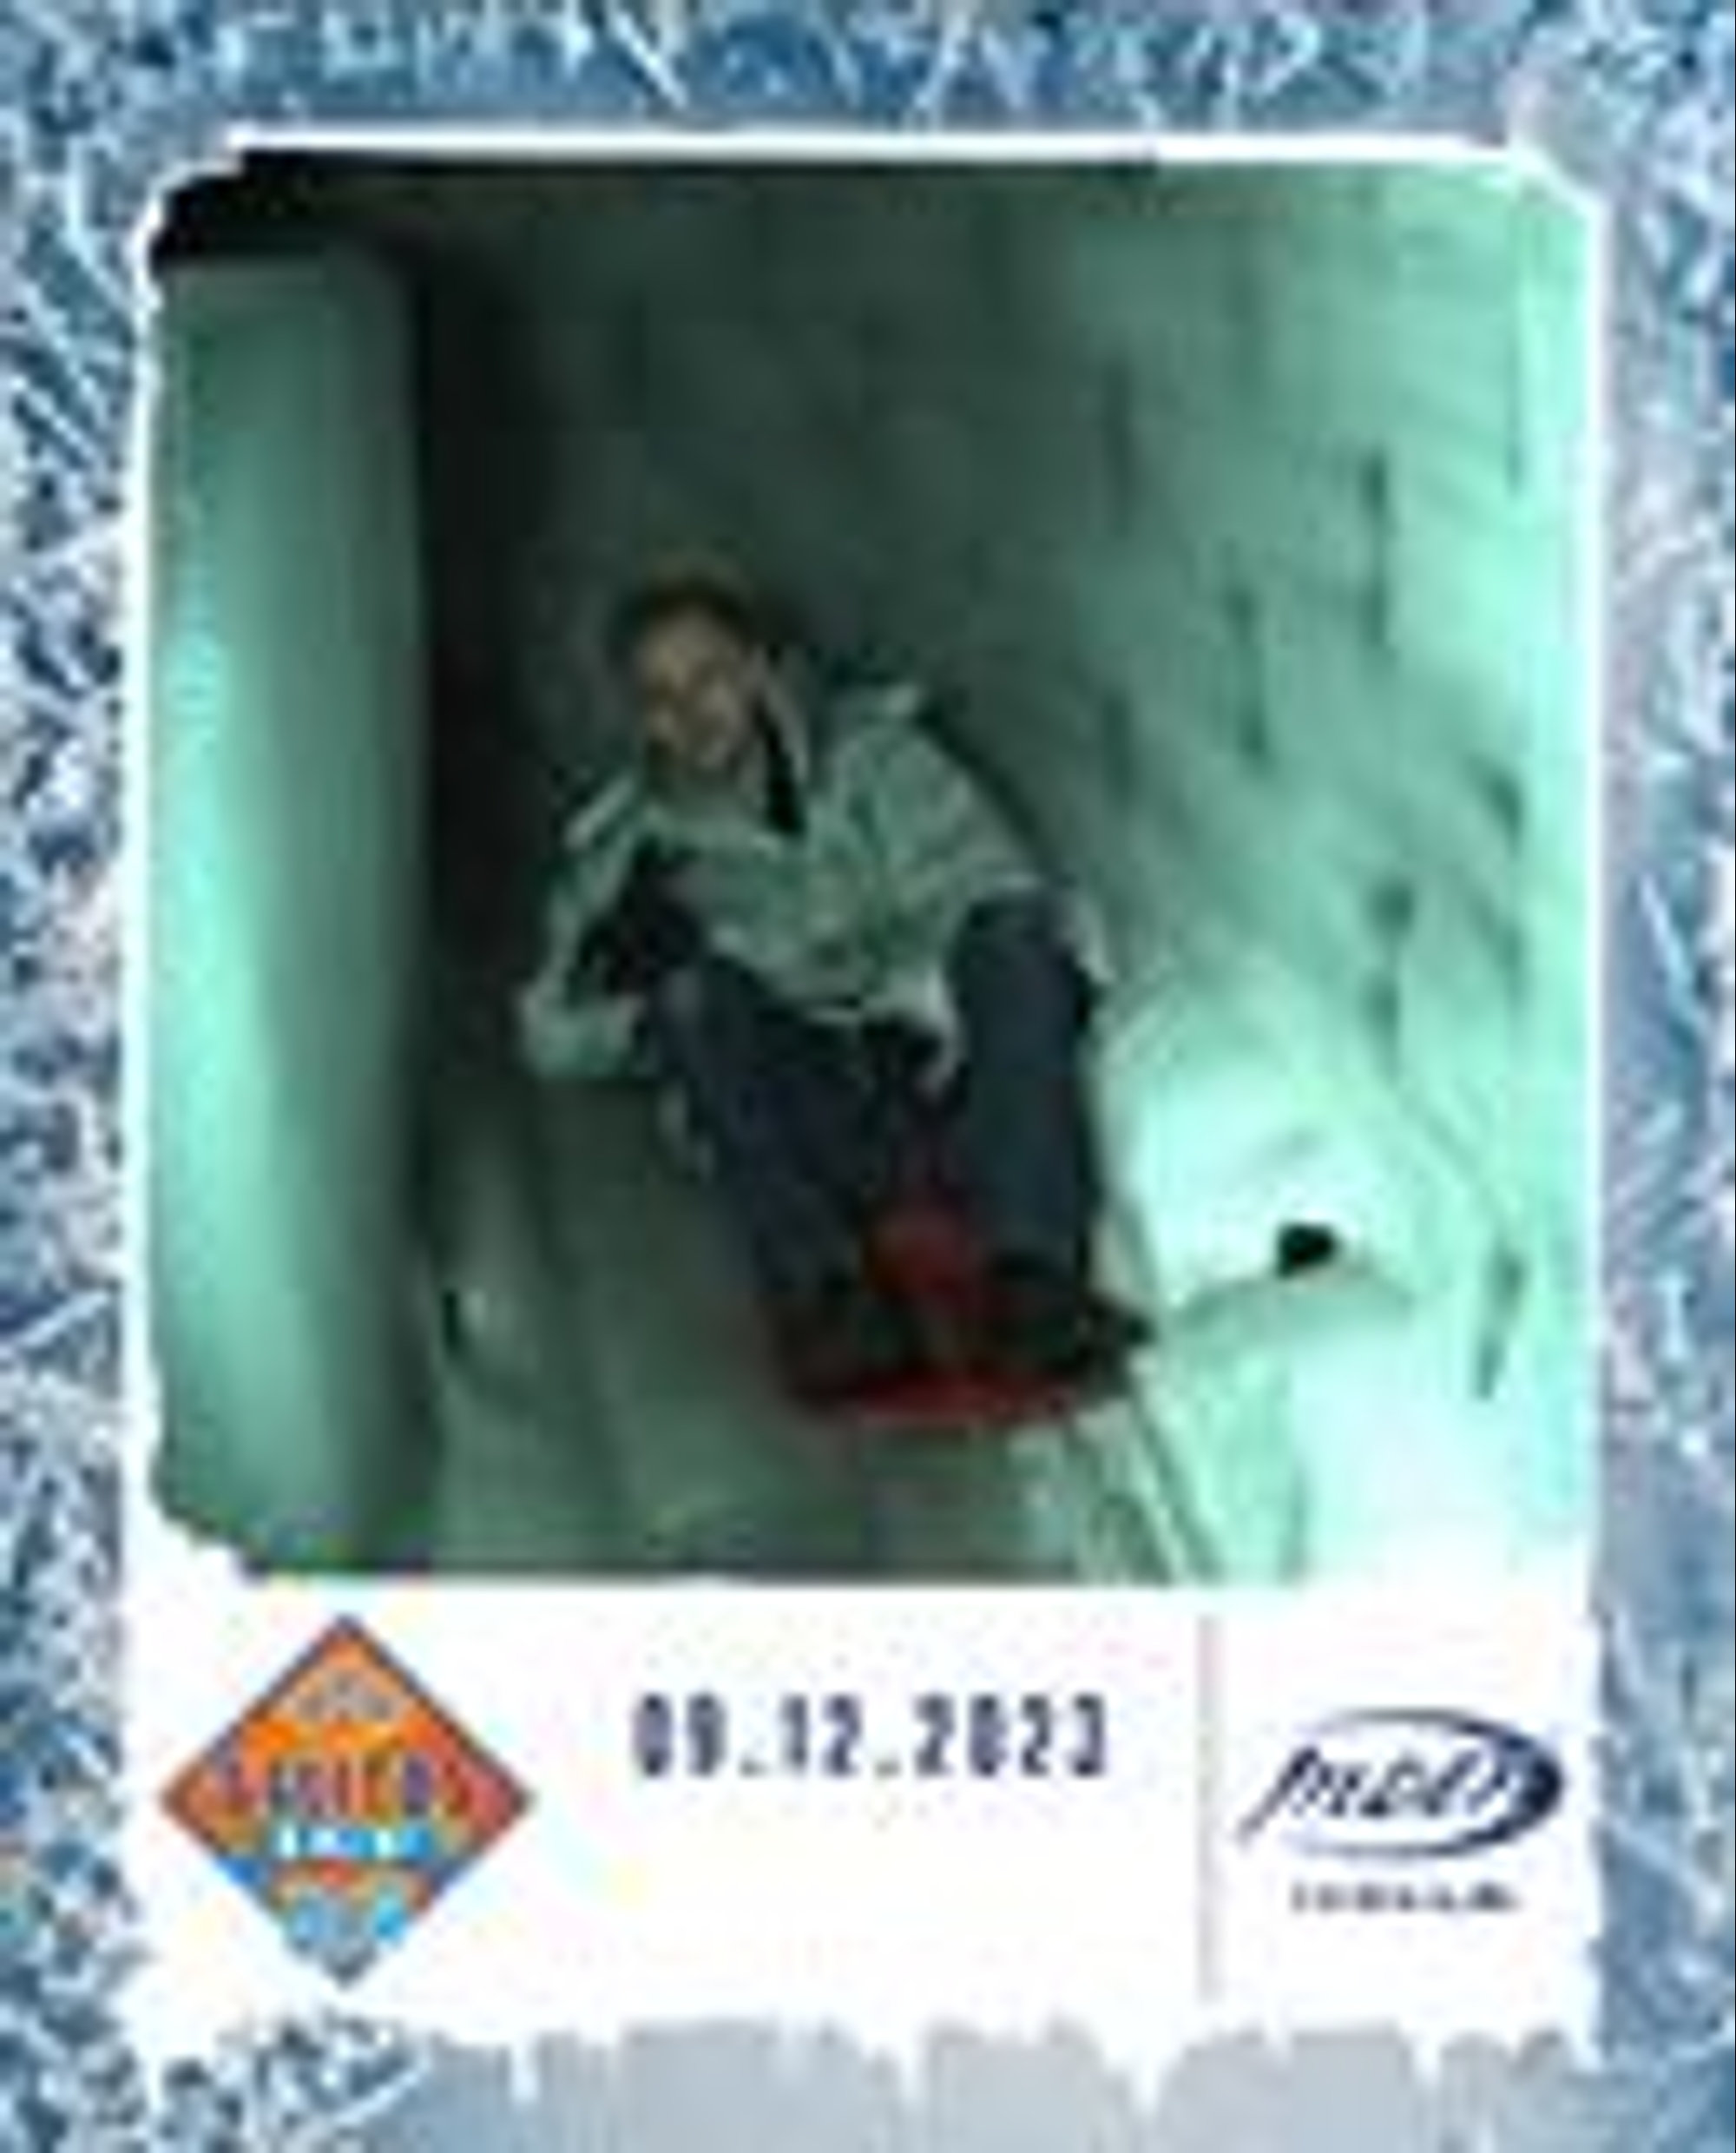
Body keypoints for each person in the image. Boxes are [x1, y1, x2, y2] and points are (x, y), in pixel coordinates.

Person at [516, 566, 1143, 1399]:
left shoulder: (873, 761)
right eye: (661, 696)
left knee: (1019, 933)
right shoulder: (633, 849)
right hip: (822, 1132)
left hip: (948, 1081)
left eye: (710, 676)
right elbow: (548, 1037)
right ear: (639, 718)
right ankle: (831, 1297)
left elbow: (985, 882)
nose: (693, 711)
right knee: (693, 997)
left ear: (759, 670)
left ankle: (1036, 1281)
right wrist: (639, 992)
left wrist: (846, 975)